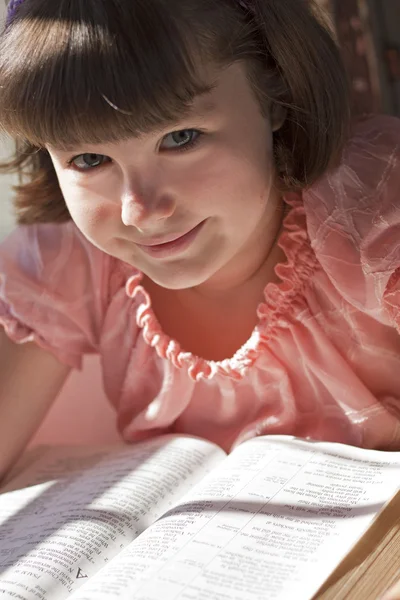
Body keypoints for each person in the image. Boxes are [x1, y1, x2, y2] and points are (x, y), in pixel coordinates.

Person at [0, 0, 400, 485]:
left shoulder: (373, 211)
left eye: (181, 137)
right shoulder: (68, 261)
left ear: (273, 91)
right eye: (88, 160)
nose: (140, 210)